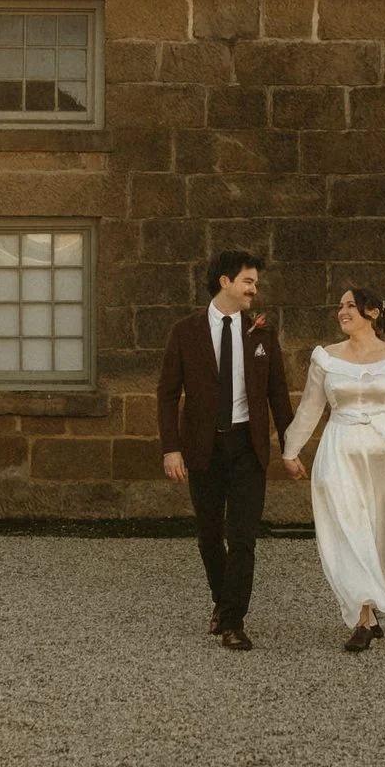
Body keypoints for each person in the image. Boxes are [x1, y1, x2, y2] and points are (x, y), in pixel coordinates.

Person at [279, 288, 385, 653]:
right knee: (348, 531)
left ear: (373, 312)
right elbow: (309, 408)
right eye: (340, 306)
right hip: (340, 453)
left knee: (382, 535)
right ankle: (363, 618)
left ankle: (375, 607)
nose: (342, 311)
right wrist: (291, 450)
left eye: (350, 305)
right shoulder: (326, 359)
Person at [156, 250, 293, 651]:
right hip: (202, 448)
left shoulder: (263, 332)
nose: (255, 289)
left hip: (248, 449)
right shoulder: (185, 332)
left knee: (244, 537)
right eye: (249, 281)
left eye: (255, 283)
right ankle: (221, 600)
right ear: (225, 282)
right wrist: (171, 449)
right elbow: (166, 395)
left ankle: (234, 621)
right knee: (209, 536)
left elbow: (278, 394)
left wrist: (290, 447)